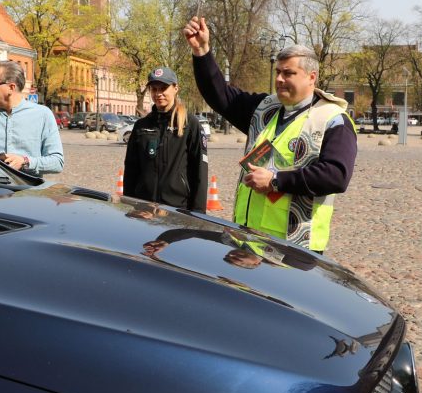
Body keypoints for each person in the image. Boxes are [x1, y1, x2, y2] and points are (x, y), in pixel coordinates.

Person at [182, 17, 357, 253]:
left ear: (311, 77)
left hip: (295, 248)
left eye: (289, 73)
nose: (279, 79)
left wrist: (276, 181)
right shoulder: (265, 108)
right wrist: (202, 51)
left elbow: (336, 175)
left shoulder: (333, 119)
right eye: (278, 72)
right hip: (248, 238)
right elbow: (221, 96)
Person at [123, 66, 208, 211]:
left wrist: (199, 215)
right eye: (154, 89)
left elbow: (199, 172)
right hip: (144, 209)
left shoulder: (190, 124)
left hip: (178, 209)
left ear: (175, 88)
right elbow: (131, 170)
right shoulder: (141, 125)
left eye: (163, 88)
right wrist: (130, 206)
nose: (158, 93)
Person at [0, 60, 64, 174]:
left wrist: (25, 162)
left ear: (11, 87)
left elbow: (57, 162)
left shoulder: (43, 115)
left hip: (27, 189)